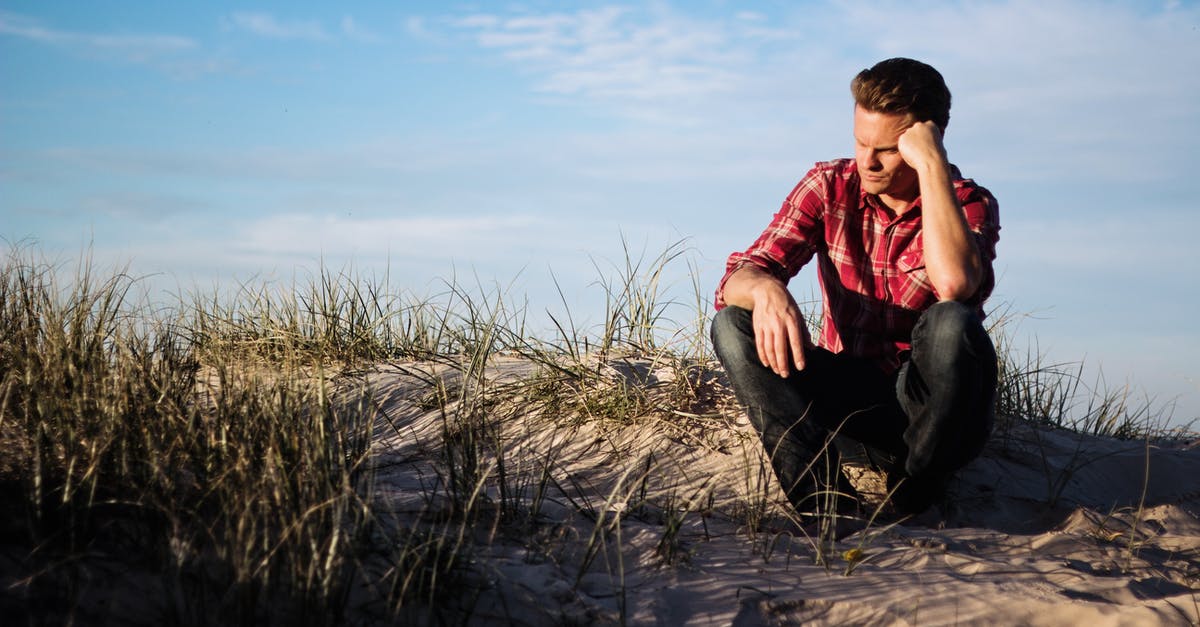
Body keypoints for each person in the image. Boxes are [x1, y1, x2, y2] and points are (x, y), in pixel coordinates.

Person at [710, 58, 1000, 522]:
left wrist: (931, 166)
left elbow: (955, 284)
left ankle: (914, 496)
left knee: (952, 322)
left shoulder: (968, 202)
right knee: (731, 324)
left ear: (928, 141)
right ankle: (827, 509)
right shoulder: (829, 184)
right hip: (853, 401)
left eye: (887, 149)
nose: (868, 161)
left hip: (938, 414)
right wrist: (765, 289)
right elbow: (739, 275)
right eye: (861, 142)